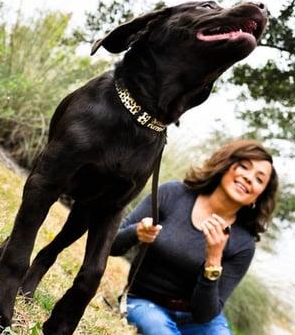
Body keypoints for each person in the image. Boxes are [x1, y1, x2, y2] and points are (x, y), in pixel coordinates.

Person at [111, 139, 279, 335]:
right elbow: (111, 245)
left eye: (259, 179)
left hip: (200, 323)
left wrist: (213, 261)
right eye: (244, 167)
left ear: (258, 196)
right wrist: (136, 232)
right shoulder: (172, 195)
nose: (249, 178)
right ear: (226, 165)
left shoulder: (243, 244)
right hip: (144, 303)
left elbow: (205, 315)